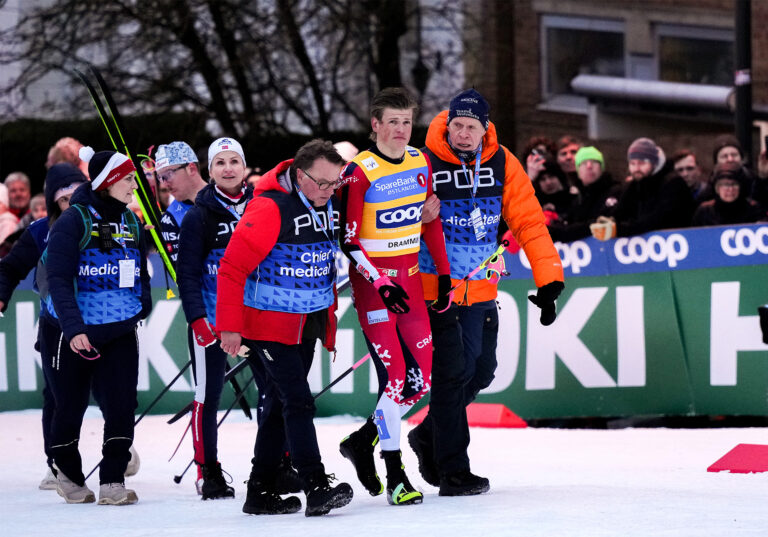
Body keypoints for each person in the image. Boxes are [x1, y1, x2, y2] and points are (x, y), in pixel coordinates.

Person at [408, 88, 564, 496]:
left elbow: (528, 222)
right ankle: (453, 469)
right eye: (457, 125)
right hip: (437, 290)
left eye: (471, 127)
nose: (462, 134)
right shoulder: (422, 161)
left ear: (485, 129)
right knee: (453, 375)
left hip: (480, 288)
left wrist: (549, 279)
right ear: (448, 124)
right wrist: (416, 215)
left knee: (481, 371)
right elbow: (390, 218)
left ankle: (428, 434)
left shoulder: (502, 161)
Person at [217, 139, 353, 517]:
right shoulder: (270, 207)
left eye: (334, 183)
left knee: (279, 405)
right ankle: (316, 485)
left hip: (305, 322)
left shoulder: (328, 202)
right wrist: (229, 327)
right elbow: (231, 268)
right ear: (299, 174)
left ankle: (259, 491)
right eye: (320, 183)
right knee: (298, 401)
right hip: (267, 324)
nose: (328, 191)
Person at [336, 87, 451, 506]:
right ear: (376, 125)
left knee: (422, 380)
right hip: (375, 288)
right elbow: (349, 241)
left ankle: (362, 440)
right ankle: (395, 474)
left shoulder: (421, 161)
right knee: (397, 378)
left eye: (407, 122)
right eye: (393, 122)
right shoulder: (359, 171)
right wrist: (381, 283)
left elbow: (430, 221)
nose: (401, 130)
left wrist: (444, 274)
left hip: (411, 283)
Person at [41, 147, 152, 505]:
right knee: (69, 406)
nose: (135, 185)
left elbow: (139, 270)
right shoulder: (73, 220)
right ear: (108, 182)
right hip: (69, 330)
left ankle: (113, 480)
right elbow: (58, 279)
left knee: (122, 404)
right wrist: (73, 329)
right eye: (129, 179)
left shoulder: (130, 220)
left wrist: (142, 305)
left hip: (118, 329)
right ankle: (68, 475)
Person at [0, 164, 87, 489]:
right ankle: (57, 462)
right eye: (64, 200)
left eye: (78, 196)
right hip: (56, 324)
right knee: (57, 395)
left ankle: (119, 447)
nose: (73, 205)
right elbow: (9, 269)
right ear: (53, 202)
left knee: (114, 389)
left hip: (101, 323)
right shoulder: (40, 231)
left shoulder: (105, 222)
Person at [176, 137, 253, 500]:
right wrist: (197, 319)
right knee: (208, 394)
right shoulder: (198, 215)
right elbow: (187, 274)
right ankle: (208, 471)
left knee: (276, 391)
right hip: (213, 319)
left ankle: (278, 463)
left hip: (257, 317)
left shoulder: (261, 205)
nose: (228, 168)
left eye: (234, 161)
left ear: (244, 166)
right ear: (209, 171)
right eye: (220, 162)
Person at [590, 137, 695, 241]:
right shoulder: (634, 185)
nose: (636, 169)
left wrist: (618, 229)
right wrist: (609, 221)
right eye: (633, 163)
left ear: (654, 163)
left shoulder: (673, 183)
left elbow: (656, 220)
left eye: (642, 163)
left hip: (678, 241)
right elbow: (621, 211)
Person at [549, 146, 622, 242]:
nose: (589, 166)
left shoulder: (616, 192)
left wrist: (564, 232)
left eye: (594, 162)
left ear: (602, 167)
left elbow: (602, 222)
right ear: (578, 171)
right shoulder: (578, 200)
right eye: (583, 163)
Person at [155, 141, 208, 265]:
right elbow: (181, 269)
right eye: (161, 178)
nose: (164, 184)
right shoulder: (170, 218)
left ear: (191, 169)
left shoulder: (226, 198)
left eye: (168, 174)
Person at [692, 162, 765, 226]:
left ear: (741, 187)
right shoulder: (705, 211)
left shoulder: (753, 209)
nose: (730, 189)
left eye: (734, 184)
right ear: (717, 188)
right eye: (725, 184)